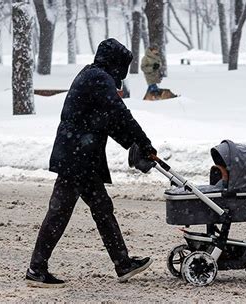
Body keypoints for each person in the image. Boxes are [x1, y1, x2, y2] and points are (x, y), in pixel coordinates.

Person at [26, 38, 156, 288]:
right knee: (60, 212)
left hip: (82, 157)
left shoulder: (94, 76)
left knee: (102, 208)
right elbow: (119, 113)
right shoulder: (98, 78)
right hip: (76, 158)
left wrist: (135, 145)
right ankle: (36, 269)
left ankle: (123, 263)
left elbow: (109, 120)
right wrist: (144, 142)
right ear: (116, 64)